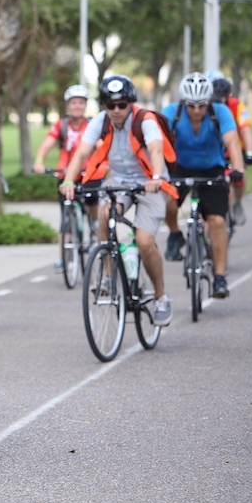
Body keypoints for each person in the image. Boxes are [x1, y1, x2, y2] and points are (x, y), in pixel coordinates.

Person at [60, 74, 175, 326]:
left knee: (145, 241)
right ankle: (108, 276)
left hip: (150, 184)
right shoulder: (101, 122)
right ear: (103, 106)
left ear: (130, 103)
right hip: (120, 182)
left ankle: (161, 296)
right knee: (105, 214)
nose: (116, 110)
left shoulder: (145, 120)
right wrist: (69, 181)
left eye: (122, 104)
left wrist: (156, 176)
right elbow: (81, 153)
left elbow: (156, 149)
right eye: (110, 105)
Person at [161, 72, 245, 298]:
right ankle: (175, 234)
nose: (196, 111)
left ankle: (219, 277)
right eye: (191, 105)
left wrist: (238, 168)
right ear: (183, 102)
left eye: (201, 105)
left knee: (217, 221)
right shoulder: (171, 113)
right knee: (168, 203)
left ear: (209, 101)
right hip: (180, 167)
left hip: (212, 168)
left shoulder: (221, 113)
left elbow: (232, 143)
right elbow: (156, 143)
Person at [33, 84, 101, 272]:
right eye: (73, 103)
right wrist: (39, 160)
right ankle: (63, 258)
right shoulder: (61, 125)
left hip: (89, 174)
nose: (77, 106)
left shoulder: (92, 125)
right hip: (65, 174)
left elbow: (102, 147)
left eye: (80, 102)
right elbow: (46, 145)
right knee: (66, 217)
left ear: (85, 105)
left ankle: (95, 221)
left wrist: (104, 164)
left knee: (92, 202)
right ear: (67, 105)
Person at [208, 71, 252, 226]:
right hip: (213, 151)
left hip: (233, 150)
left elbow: (246, 130)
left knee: (239, 176)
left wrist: (249, 153)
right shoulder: (201, 107)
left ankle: (238, 204)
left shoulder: (236, 106)